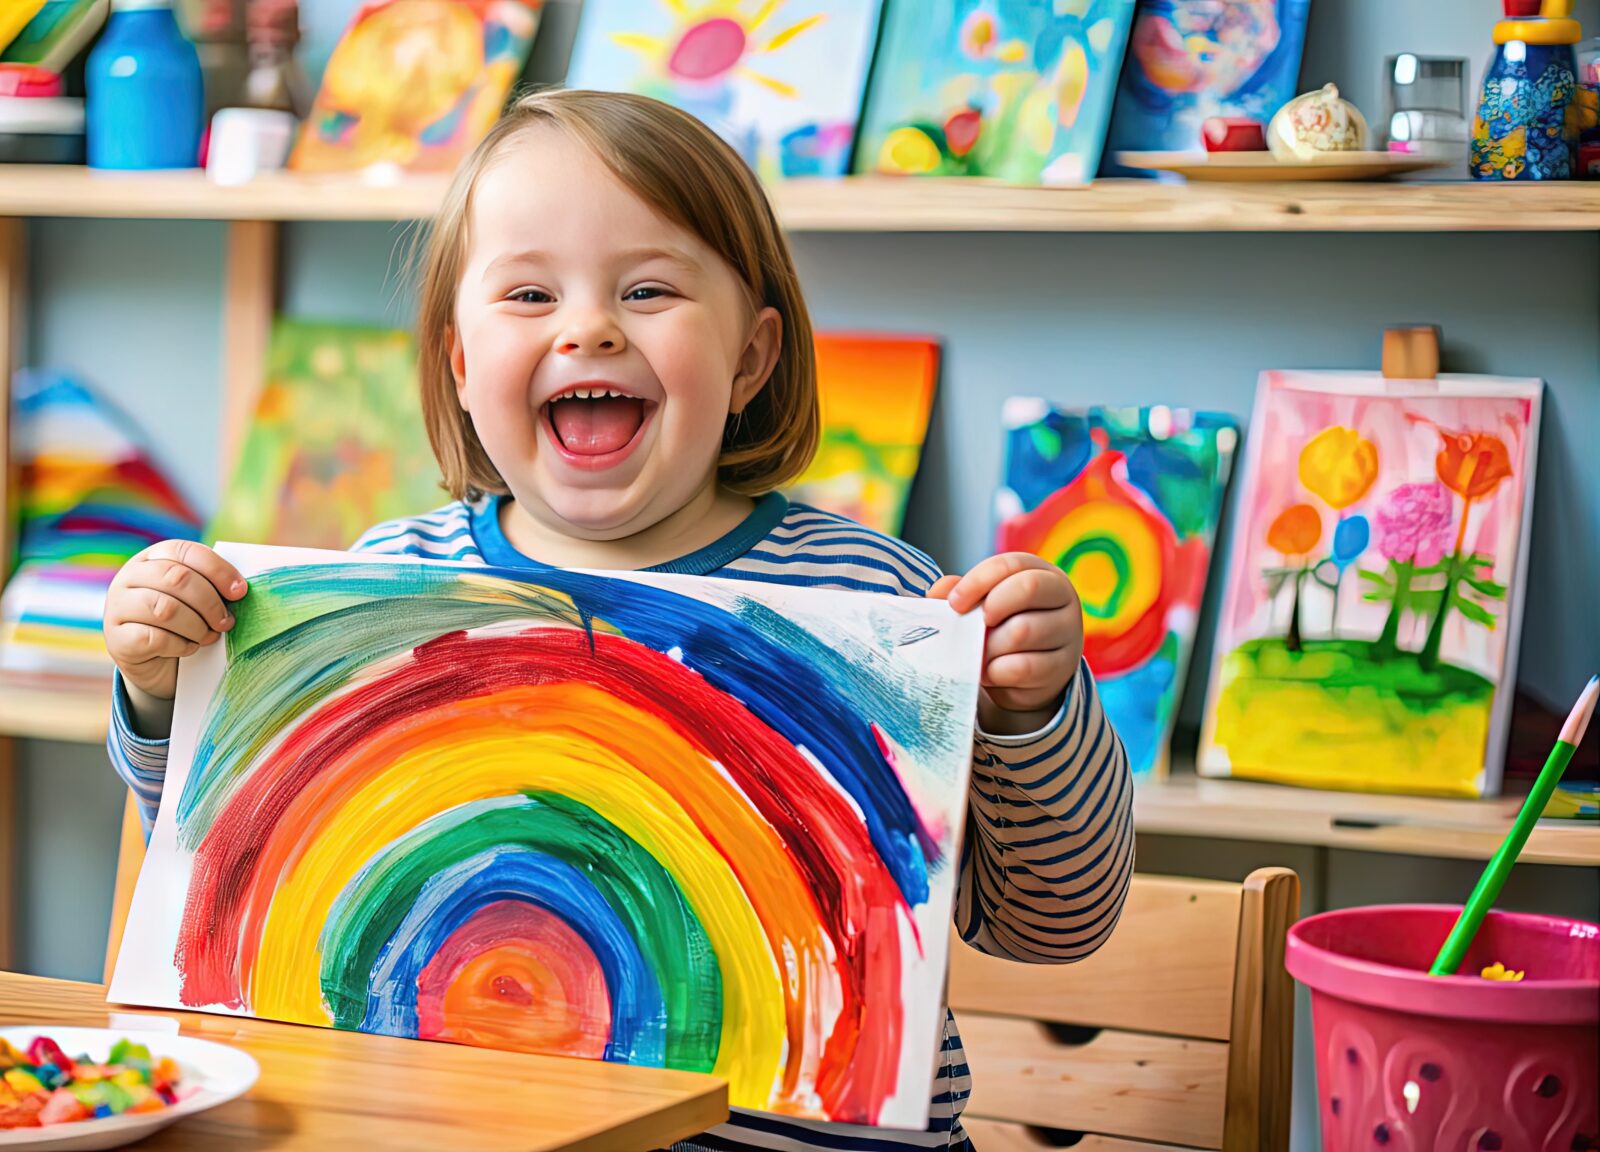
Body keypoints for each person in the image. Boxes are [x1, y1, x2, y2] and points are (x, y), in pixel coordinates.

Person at [103, 88, 1133, 1150]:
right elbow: (225, 871)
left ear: (750, 358)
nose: (587, 327)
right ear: (459, 365)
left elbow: (1055, 921)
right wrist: (159, 687)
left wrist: (1031, 715)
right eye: (527, 294)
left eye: (645, 289)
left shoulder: (879, 599)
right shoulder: (380, 586)